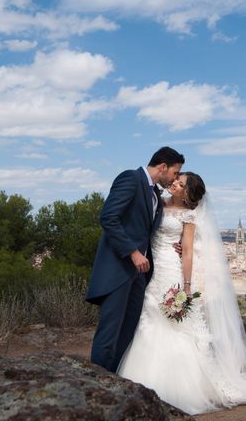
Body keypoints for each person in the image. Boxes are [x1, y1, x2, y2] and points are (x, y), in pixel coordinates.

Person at [118, 172, 246, 414]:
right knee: (150, 319)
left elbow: (186, 251)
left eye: (180, 182)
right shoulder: (157, 203)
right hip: (154, 271)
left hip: (173, 273)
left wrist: (186, 286)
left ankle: (182, 388)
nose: (174, 182)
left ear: (187, 194)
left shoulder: (189, 215)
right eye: (176, 179)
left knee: (180, 325)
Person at [86, 147, 185, 372]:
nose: (175, 178)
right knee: (110, 330)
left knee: (128, 330)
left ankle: (115, 378)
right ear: (163, 167)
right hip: (118, 270)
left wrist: (174, 245)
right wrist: (132, 252)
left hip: (139, 275)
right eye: (175, 172)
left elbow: (148, 232)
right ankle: (97, 381)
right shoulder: (130, 178)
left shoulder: (156, 197)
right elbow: (108, 217)